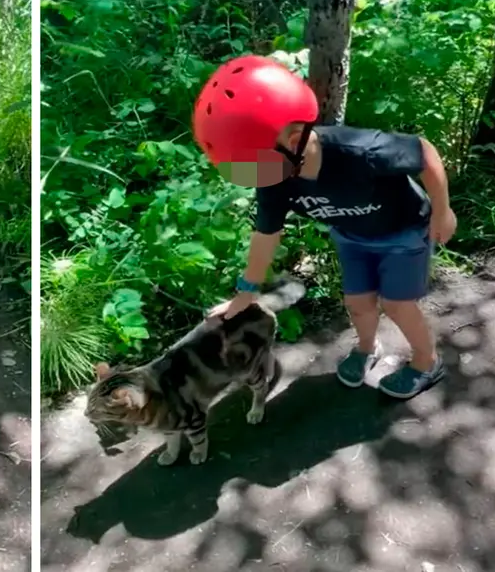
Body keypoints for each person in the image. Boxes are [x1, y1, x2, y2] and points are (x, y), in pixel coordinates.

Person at [194, 54, 456, 400]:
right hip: (351, 237)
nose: (250, 174)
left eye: (250, 162)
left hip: (404, 233)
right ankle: (366, 348)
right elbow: (266, 234)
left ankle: (426, 361)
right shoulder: (274, 177)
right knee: (358, 302)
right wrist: (245, 294)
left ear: (294, 138)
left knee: (397, 305)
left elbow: (423, 152)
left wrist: (443, 211)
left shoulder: (360, 152)